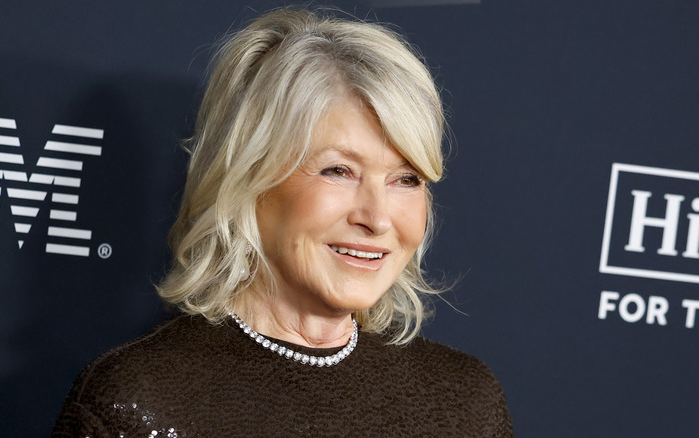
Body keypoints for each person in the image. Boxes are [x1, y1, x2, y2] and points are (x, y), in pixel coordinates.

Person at [52, 7, 512, 437]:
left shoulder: (467, 403)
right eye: (338, 171)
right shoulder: (138, 401)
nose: (376, 217)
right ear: (250, 180)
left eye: (406, 178)